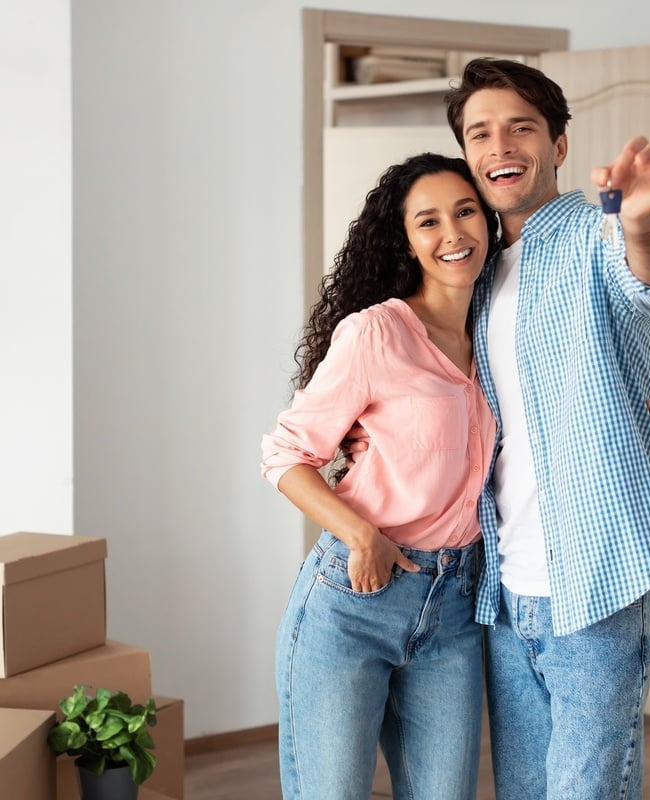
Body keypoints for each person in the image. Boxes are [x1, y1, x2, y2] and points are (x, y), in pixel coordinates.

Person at [444, 58, 650, 799]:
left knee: (587, 790)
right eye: (481, 133)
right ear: (467, 156)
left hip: (594, 578)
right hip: (504, 585)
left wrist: (640, 219)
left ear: (557, 145)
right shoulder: (479, 271)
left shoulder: (596, 235)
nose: (501, 146)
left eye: (522, 127)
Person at [260, 153, 500, 800]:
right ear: (409, 242)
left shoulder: (502, 334)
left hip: (454, 606)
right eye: (429, 221)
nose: (453, 233)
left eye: (465, 210)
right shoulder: (377, 333)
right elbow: (285, 455)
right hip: (353, 599)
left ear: (488, 220)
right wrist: (363, 536)